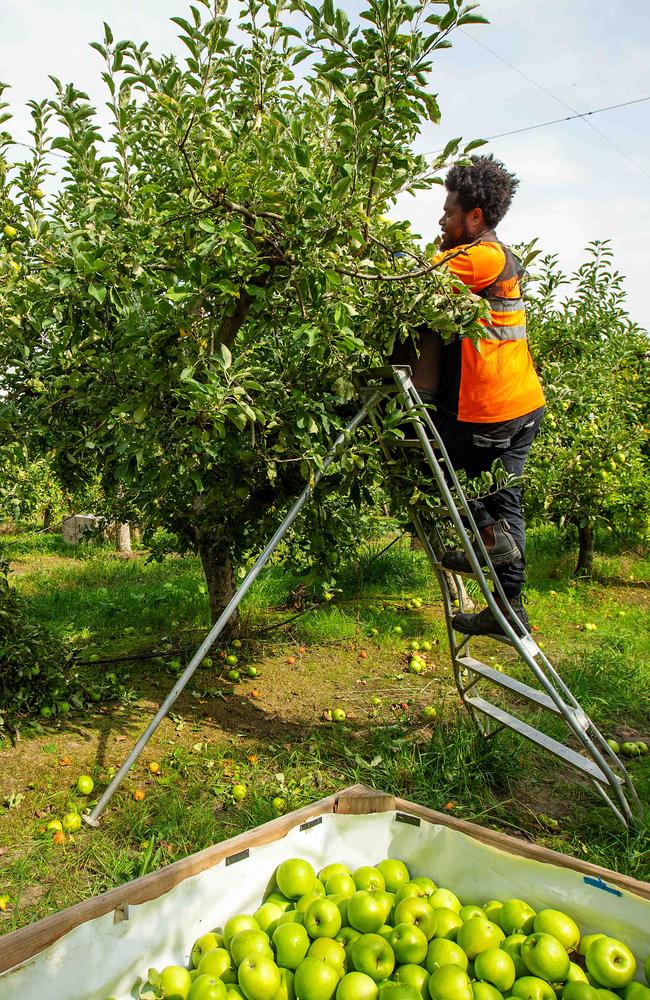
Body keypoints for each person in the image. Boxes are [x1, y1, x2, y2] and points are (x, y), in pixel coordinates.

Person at [421, 154, 545, 636]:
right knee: (503, 500)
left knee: (453, 477)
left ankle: (492, 545)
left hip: (490, 409)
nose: (441, 219)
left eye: (449, 212)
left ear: (476, 217)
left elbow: (414, 280)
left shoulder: (482, 256)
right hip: (520, 403)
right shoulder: (498, 256)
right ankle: (509, 609)